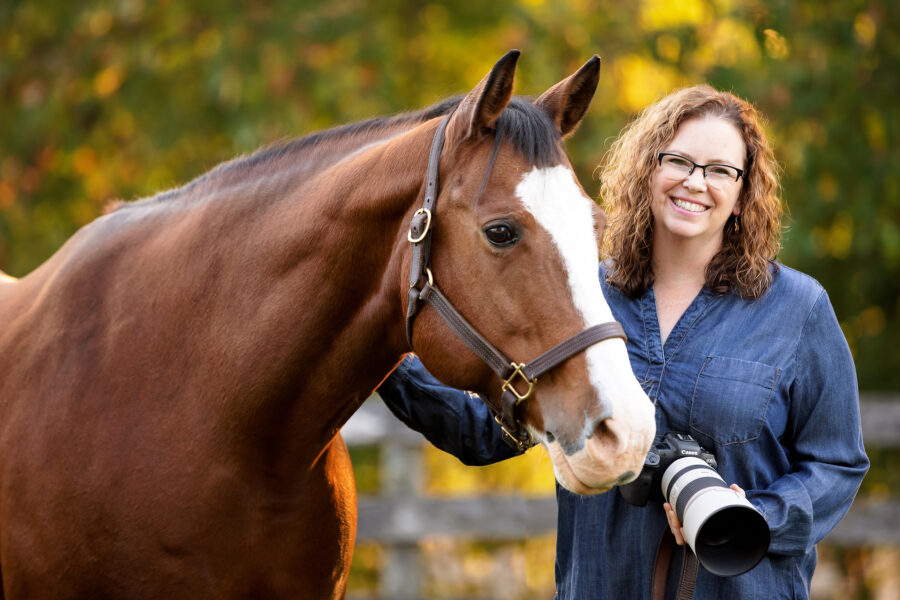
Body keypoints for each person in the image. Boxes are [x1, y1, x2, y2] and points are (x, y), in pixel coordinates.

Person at [376, 85, 869, 599]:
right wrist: (376, 356)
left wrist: (756, 517)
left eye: (721, 170)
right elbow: (481, 430)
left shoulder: (797, 309)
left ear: (744, 193)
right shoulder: (582, 299)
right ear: (648, 171)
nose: (696, 183)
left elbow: (837, 463)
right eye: (678, 160)